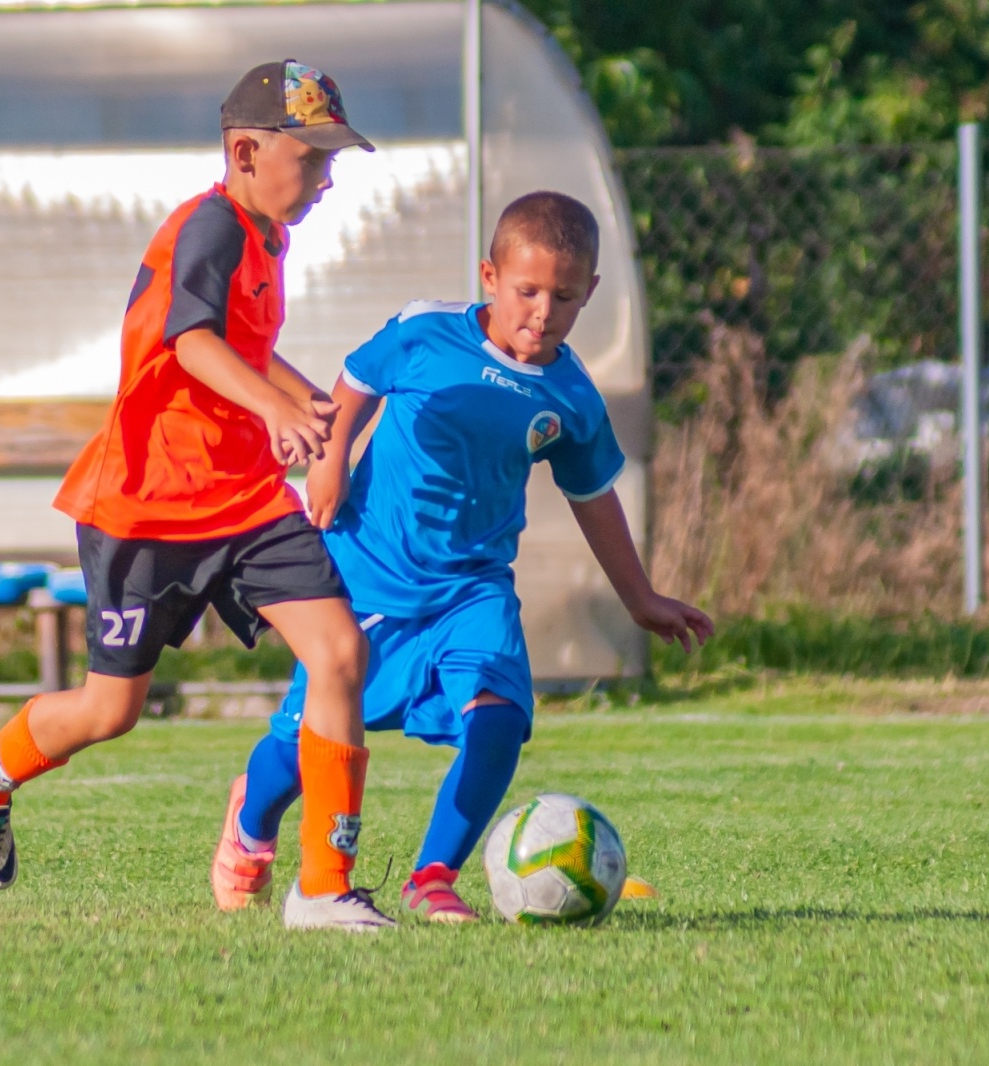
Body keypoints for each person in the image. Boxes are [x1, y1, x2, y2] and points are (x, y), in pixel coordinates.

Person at [0, 60, 397, 932]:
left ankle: (325, 887)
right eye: (315, 156)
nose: (329, 177)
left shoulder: (268, 237)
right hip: (147, 505)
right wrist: (275, 409)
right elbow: (190, 342)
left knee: (339, 653)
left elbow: (243, 345)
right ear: (247, 150)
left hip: (245, 502)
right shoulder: (213, 229)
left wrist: (302, 397)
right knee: (110, 711)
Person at [210, 191, 714, 922]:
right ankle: (251, 827)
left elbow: (593, 495)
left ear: (591, 294)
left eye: (565, 297)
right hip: (370, 577)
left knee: (501, 715)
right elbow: (356, 379)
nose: (543, 312)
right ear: (489, 277)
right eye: (527, 291)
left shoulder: (572, 398)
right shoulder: (425, 333)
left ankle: (434, 874)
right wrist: (331, 460)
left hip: (472, 587)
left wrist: (640, 597)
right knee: (298, 752)